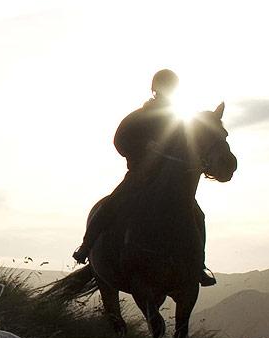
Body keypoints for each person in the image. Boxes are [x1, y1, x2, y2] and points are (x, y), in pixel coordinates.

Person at [73, 69, 214, 286]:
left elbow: (191, 146)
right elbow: (120, 141)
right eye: (165, 86)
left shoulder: (181, 119)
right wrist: (144, 148)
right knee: (110, 205)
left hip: (171, 180)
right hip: (141, 174)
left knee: (198, 215)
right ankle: (86, 247)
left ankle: (198, 265)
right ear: (155, 89)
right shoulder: (138, 117)